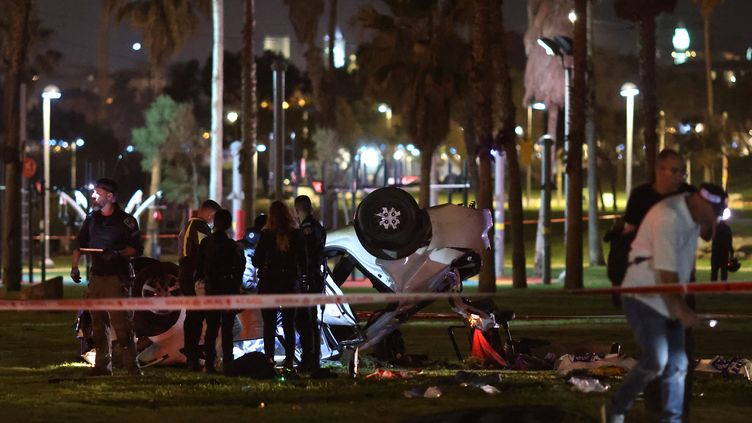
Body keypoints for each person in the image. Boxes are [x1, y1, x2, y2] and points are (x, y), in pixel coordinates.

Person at [603, 183, 728, 423]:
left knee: (679, 363)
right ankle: (616, 407)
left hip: (667, 294)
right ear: (702, 202)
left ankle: (672, 420)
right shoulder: (669, 216)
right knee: (656, 359)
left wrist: (713, 220)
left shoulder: (693, 211)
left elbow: (707, 234)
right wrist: (681, 311)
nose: (716, 217)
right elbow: (665, 274)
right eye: (715, 212)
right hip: (644, 294)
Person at [70, 178, 144, 376]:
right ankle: (102, 366)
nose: (93, 196)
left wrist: (117, 254)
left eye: (98, 193)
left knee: (122, 326)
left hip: (117, 279)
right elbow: (79, 244)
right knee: (97, 325)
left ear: (110, 197)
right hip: (97, 278)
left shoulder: (126, 221)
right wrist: (74, 267)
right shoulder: (92, 219)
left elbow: (137, 249)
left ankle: (132, 368)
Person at [252, 201, 307, 369]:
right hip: (290, 283)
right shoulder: (296, 234)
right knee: (289, 324)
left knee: (269, 325)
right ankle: (290, 359)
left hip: (269, 283)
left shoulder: (266, 234)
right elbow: (304, 260)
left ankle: (269, 358)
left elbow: (257, 261)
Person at [195, 209, 246, 375]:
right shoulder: (233, 246)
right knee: (227, 328)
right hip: (228, 290)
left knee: (211, 328)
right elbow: (239, 268)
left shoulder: (206, 243)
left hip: (211, 289)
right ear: (229, 224)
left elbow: (199, 267)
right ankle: (228, 362)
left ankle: (209, 362)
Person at [177, 199, 221, 371]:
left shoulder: (191, 226)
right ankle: (192, 356)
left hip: (188, 274)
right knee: (195, 317)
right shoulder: (199, 227)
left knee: (194, 316)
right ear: (210, 214)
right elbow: (206, 250)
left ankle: (192, 354)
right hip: (192, 275)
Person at [294, 195, 327, 371]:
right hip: (316, 278)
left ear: (296, 210)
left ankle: (309, 358)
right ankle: (313, 357)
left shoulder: (306, 229)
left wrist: (304, 277)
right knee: (311, 320)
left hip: (308, 279)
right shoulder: (318, 227)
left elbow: (306, 256)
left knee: (304, 320)